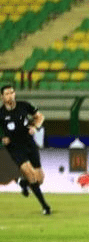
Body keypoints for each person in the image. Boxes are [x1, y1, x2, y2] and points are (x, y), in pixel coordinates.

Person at [0, 85, 51, 215]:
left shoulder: (24, 106)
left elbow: (40, 117)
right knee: (30, 174)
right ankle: (45, 206)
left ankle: (23, 183)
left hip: (29, 144)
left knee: (40, 179)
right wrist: (2, 138)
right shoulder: (1, 113)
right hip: (15, 147)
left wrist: (35, 126)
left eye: (12, 92)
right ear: (2, 97)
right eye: (7, 94)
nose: (10, 95)